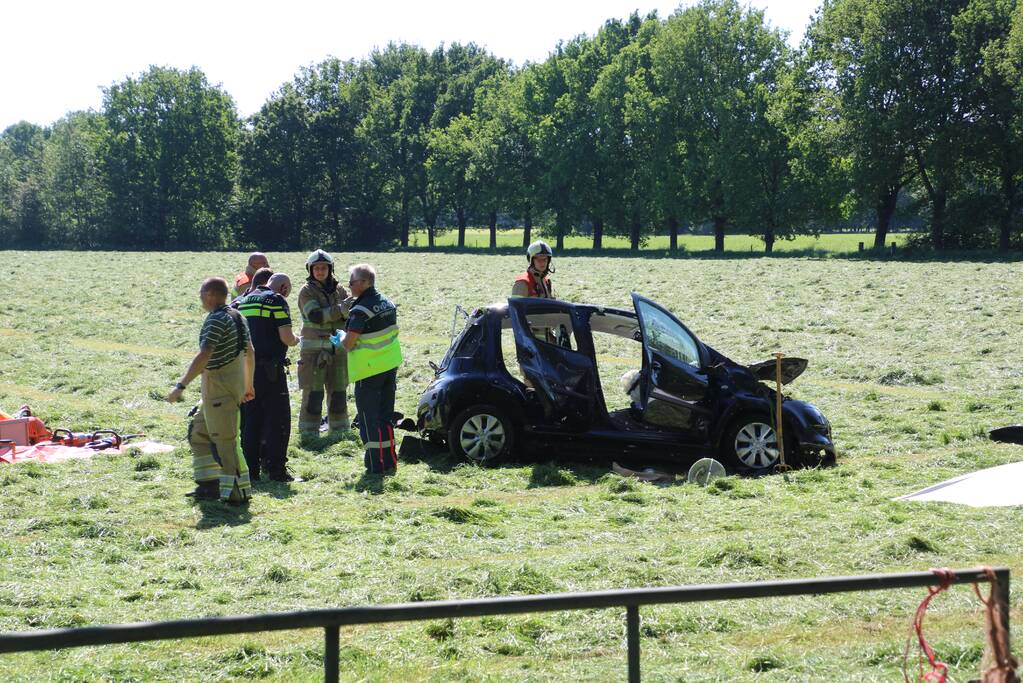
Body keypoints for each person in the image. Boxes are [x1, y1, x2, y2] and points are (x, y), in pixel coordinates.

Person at [167, 277, 254, 504]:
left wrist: (181, 385)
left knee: (224, 443)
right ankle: (208, 486)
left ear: (210, 295)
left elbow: (204, 355)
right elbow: (250, 352)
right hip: (225, 388)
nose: (200, 299)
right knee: (198, 433)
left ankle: (237, 494)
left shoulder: (216, 319)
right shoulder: (238, 316)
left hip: (220, 391)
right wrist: (248, 384)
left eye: (201, 295)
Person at [234, 272, 299, 482]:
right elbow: (286, 338)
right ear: (284, 288)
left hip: (245, 370)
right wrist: (298, 339)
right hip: (271, 371)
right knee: (277, 419)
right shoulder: (276, 300)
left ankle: (251, 471)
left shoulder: (242, 301)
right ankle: (276, 470)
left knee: (251, 421)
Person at [341, 264, 402, 475]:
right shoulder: (387, 302)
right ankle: (390, 462)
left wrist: (340, 337)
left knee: (368, 421)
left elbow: (349, 343)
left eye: (352, 282)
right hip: (389, 366)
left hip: (368, 370)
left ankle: (375, 466)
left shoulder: (360, 310)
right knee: (385, 417)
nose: (349, 286)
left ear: (364, 282)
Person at [297, 250, 351, 437]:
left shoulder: (340, 290)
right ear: (310, 270)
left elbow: (349, 313)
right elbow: (315, 316)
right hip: (313, 353)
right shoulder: (306, 291)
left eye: (323, 268)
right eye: (316, 268)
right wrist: (340, 310)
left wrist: (346, 312)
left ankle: (340, 433)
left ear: (330, 269)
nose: (320, 271)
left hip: (338, 351)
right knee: (313, 394)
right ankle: (308, 434)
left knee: (339, 394)